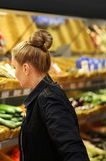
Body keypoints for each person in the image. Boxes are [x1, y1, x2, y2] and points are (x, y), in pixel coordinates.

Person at [12, 29, 89, 161]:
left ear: (25, 68)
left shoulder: (49, 99)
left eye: (14, 68)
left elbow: (73, 151)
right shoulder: (43, 95)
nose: (14, 73)